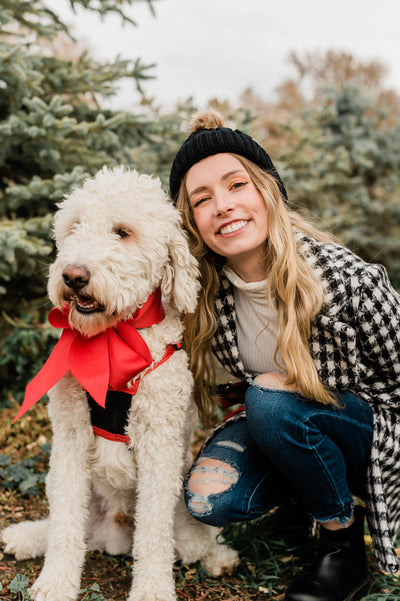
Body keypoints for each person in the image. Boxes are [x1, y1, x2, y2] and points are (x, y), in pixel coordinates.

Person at [168, 110, 400, 601]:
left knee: (271, 401)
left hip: (375, 441)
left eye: (236, 186)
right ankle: (311, 492)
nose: (223, 207)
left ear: (267, 190)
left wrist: (296, 394)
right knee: (208, 498)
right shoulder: (208, 296)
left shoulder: (350, 284)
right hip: (294, 426)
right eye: (202, 199)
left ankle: (341, 544)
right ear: (192, 222)